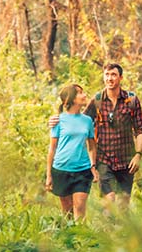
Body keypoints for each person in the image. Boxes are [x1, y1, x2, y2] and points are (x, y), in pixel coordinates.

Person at [51, 63, 142, 207]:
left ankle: (118, 229)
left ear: (120, 77)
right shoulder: (97, 100)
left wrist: (138, 155)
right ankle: (106, 227)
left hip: (127, 160)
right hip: (104, 160)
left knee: (123, 205)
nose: (110, 78)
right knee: (109, 199)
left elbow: (140, 130)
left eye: (114, 75)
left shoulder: (131, 100)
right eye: (107, 75)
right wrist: (57, 119)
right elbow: (79, 122)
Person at [45, 84, 99, 221]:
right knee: (67, 212)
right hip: (61, 170)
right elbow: (52, 149)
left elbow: (92, 146)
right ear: (71, 99)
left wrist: (93, 166)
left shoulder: (87, 121)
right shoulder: (58, 120)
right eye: (80, 93)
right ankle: (69, 241)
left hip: (83, 170)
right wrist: (49, 175)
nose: (84, 95)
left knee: (80, 208)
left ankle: (82, 240)